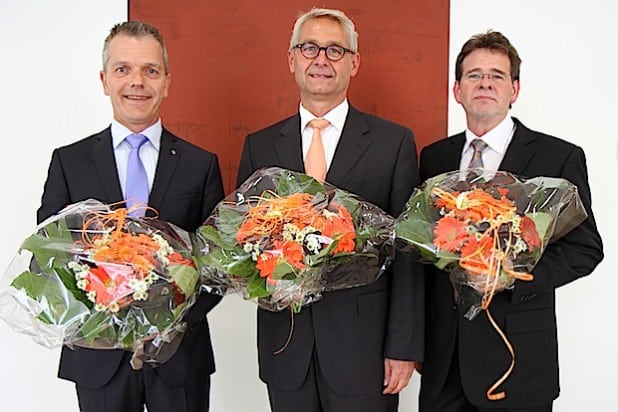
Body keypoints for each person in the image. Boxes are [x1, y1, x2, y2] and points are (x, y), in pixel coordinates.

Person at [236, 7, 424, 412]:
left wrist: (403, 347)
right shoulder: (259, 146)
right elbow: (243, 243)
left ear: (354, 63)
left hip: (365, 349)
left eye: (335, 50)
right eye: (310, 48)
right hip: (286, 346)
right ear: (292, 59)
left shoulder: (393, 144)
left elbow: (408, 254)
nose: (321, 59)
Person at [37, 21, 225, 412]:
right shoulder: (69, 162)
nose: (137, 82)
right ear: (105, 80)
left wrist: (168, 319)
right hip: (96, 359)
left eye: (150, 70)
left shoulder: (200, 165)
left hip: (179, 360)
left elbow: (217, 268)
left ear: (167, 82)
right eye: (123, 69)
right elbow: (49, 257)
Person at [418, 30, 604, 412]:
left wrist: (510, 275)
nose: (485, 83)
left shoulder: (559, 157)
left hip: (517, 362)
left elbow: (585, 249)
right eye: (474, 75)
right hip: (444, 365)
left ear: (514, 89)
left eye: (497, 75)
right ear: (457, 90)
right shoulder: (433, 157)